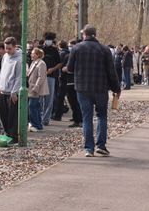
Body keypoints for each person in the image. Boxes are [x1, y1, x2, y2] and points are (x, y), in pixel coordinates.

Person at [67, 24, 121, 157]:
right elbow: (111, 71)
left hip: (82, 88)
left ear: (84, 34)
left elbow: (69, 68)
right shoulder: (104, 49)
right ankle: (101, 145)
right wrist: (116, 88)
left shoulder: (76, 48)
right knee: (102, 116)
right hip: (101, 87)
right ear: (95, 34)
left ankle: (89, 148)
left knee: (87, 117)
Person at [0, 37, 22, 143]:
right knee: (2, 114)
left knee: (12, 116)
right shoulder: (5, 57)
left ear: (15, 47)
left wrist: (14, 92)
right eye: (6, 48)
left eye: (9, 48)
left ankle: (13, 136)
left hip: (12, 92)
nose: (7, 51)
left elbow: (19, 77)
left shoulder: (20, 59)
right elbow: (2, 72)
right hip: (3, 90)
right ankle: (6, 133)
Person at [41, 32, 61, 125]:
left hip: (51, 76)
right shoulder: (40, 49)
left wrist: (53, 69)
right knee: (39, 98)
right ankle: (39, 117)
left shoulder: (55, 50)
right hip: (40, 76)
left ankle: (45, 119)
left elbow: (60, 63)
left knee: (49, 99)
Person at [27, 47, 48, 132]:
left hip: (35, 88)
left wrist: (36, 86)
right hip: (31, 87)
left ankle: (35, 124)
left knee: (32, 106)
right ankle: (38, 124)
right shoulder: (34, 62)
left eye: (33, 53)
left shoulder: (41, 63)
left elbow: (41, 76)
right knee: (35, 106)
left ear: (38, 55)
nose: (31, 54)